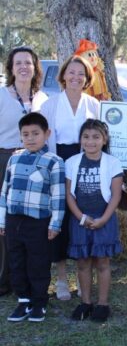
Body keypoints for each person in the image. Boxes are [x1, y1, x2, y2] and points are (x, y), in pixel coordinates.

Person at [41, 55, 99, 300]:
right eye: (71, 72)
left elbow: (99, 137)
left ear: (87, 79)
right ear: (63, 75)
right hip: (59, 162)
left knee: (82, 218)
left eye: (81, 74)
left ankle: (81, 276)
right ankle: (62, 278)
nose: (76, 77)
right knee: (61, 219)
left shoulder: (94, 105)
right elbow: (44, 141)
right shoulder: (49, 105)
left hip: (85, 163)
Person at [0, 112, 65, 322]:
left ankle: (39, 301)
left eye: (35, 133)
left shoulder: (53, 161)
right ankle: (23, 300)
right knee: (16, 260)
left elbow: (58, 195)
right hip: (13, 220)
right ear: (20, 136)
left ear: (47, 134)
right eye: (25, 134)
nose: (30, 138)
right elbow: (5, 190)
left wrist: (55, 224)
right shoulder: (14, 158)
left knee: (38, 261)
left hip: (38, 222)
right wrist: (2, 220)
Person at [0, 46, 48, 297]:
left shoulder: (42, 100)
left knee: (28, 223)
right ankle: (3, 279)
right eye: (18, 63)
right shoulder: (1, 96)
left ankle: (26, 279)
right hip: (6, 159)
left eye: (28, 63)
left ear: (35, 67)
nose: (23, 67)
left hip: (35, 163)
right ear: (11, 68)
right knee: (4, 222)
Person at [66, 119, 123, 321]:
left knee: (102, 263)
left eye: (96, 137)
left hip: (104, 220)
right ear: (80, 139)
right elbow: (69, 195)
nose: (90, 142)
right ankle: (86, 303)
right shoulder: (72, 162)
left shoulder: (113, 163)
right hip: (80, 220)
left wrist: (103, 219)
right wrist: (81, 218)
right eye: (86, 137)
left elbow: (116, 195)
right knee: (83, 263)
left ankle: (103, 304)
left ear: (104, 139)